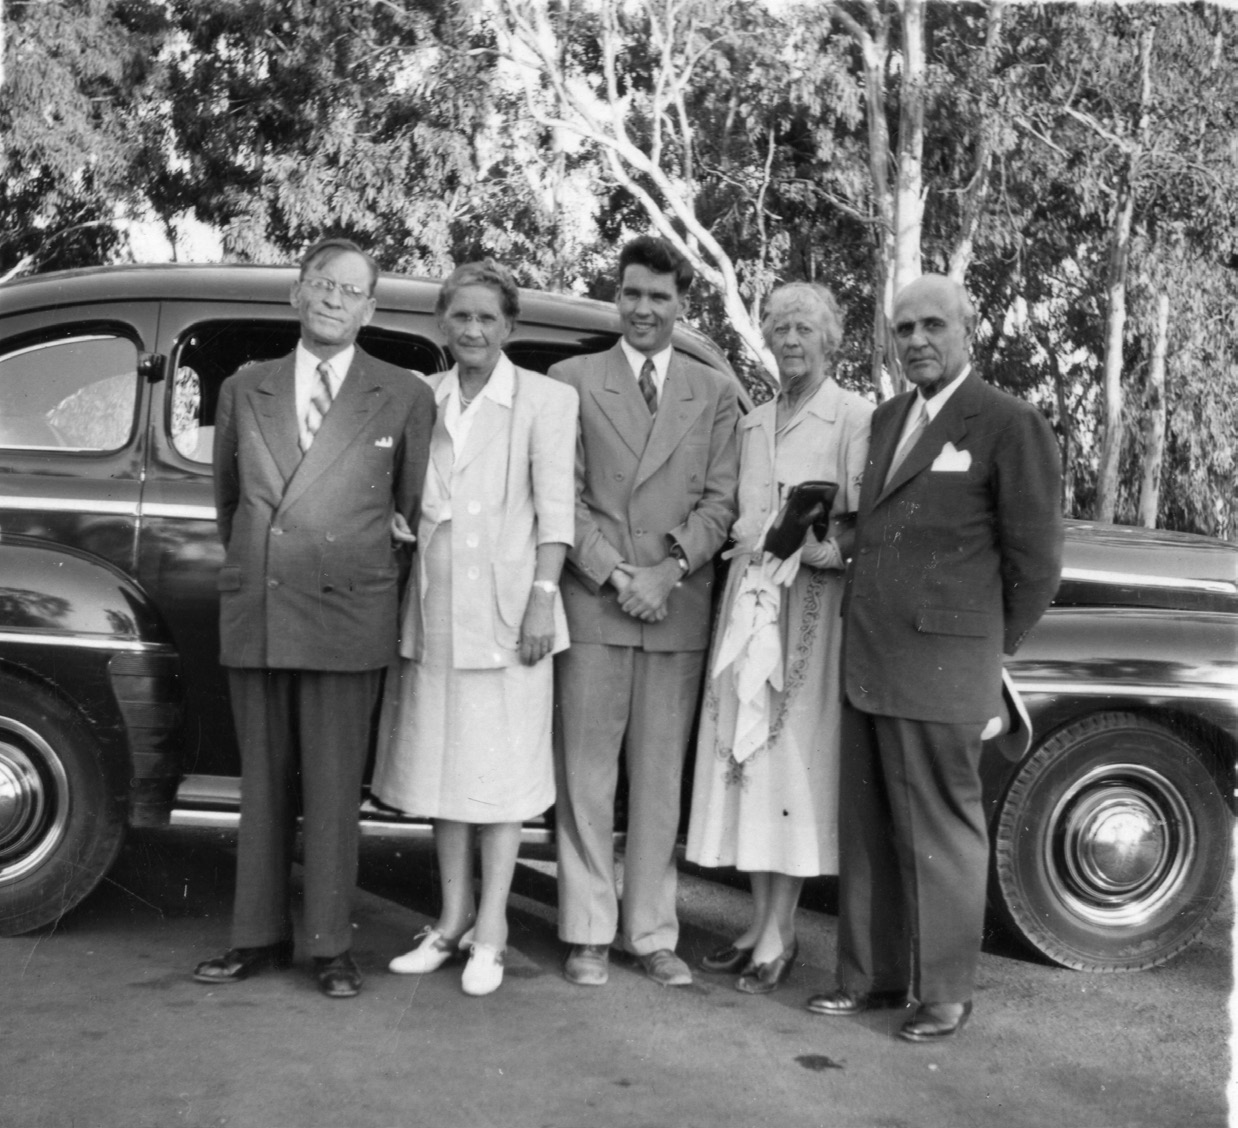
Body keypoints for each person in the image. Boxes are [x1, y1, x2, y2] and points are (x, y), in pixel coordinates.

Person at [805, 274, 1063, 1041]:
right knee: (870, 828)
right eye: (903, 329)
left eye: (931, 326)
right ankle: (873, 978)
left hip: (946, 670)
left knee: (943, 833)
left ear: (967, 330)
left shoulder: (1009, 423)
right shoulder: (887, 419)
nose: (916, 340)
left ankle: (945, 991)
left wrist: (983, 649)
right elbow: (877, 528)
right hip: (870, 659)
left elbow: (1037, 564)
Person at [194, 237, 435, 998]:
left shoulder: (404, 393)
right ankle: (255, 937)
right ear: (297, 293)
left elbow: (410, 513)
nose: (334, 298)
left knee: (333, 790)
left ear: (370, 308)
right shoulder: (246, 387)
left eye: (351, 290)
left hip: (347, 613)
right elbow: (228, 504)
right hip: (262, 607)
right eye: (321, 284)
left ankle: (331, 946)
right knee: (260, 785)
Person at [370, 261, 578, 997]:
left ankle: (492, 927)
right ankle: (451, 919)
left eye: (488, 318)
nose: (473, 330)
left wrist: (542, 601)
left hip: (509, 616)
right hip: (433, 614)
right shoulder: (420, 396)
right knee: (442, 773)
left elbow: (557, 515)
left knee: (503, 783)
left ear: (510, 327)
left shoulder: (546, 402)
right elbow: (405, 494)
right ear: (441, 323)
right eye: (460, 316)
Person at [549, 235, 740, 989]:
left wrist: (668, 571)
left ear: (680, 303)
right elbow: (559, 493)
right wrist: (616, 570)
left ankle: (653, 933)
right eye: (631, 294)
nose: (643, 309)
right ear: (615, 296)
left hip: (675, 607)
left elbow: (722, 500)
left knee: (660, 782)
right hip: (596, 600)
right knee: (587, 778)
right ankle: (589, 931)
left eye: (659, 297)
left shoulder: (713, 391)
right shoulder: (570, 379)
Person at [686, 282, 872, 994]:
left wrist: (827, 550)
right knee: (749, 763)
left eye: (804, 329)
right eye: (780, 328)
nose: (791, 340)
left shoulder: (852, 416)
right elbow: (735, 508)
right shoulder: (754, 420)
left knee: (789, 764)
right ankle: (758, 922)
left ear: (830, 340)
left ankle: (783, 932)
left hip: (809, 610)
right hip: (748, 603)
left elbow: (859, 520)